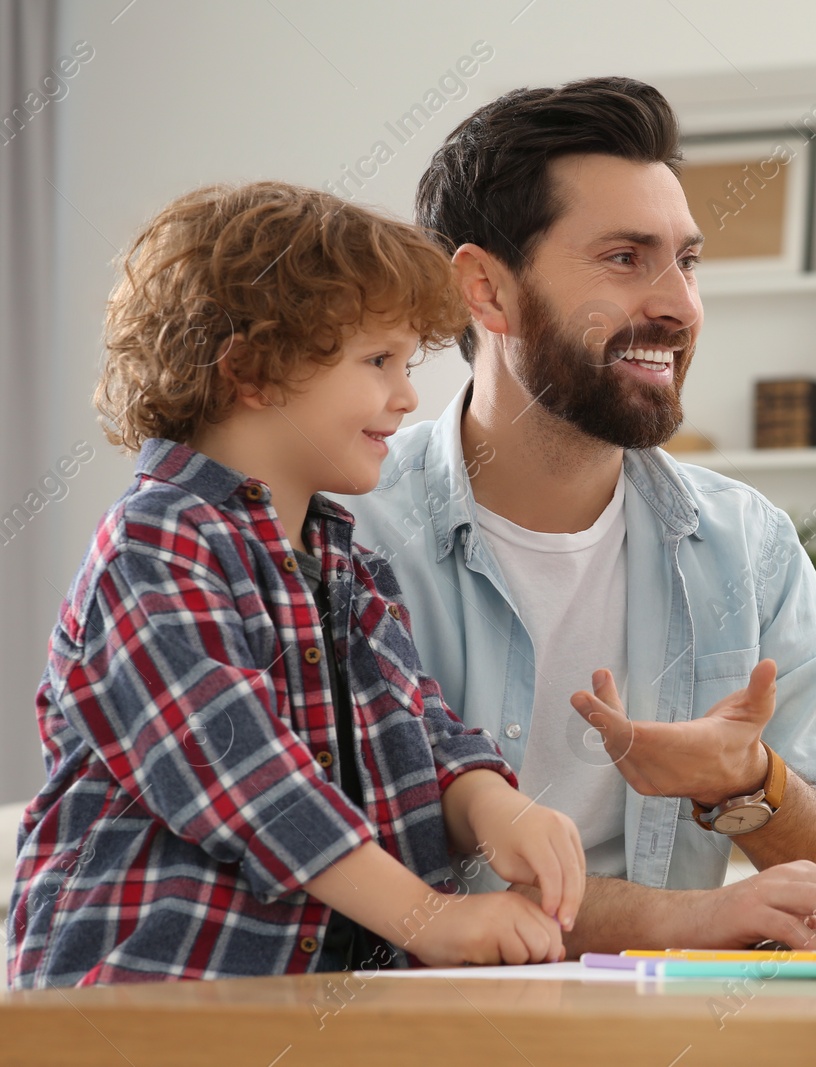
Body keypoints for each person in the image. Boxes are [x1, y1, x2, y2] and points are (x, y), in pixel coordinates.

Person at [339, 77, 816, 955]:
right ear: (487, 292)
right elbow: (344, 876)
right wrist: (683, 918)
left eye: (686, 261)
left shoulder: (744, 545)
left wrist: (751, 784)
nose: (680, 305)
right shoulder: (343, 536)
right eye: (625, 258)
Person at [7, 182, 585, 988]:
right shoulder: (157, 547)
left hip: (320, 1003)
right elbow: (247, 780)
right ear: (251, 370)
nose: (407, 394)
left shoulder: (347, 562)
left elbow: (423, 730)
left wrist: (491, 803)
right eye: (377, 360)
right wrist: (431, 917)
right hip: (144, 1003)